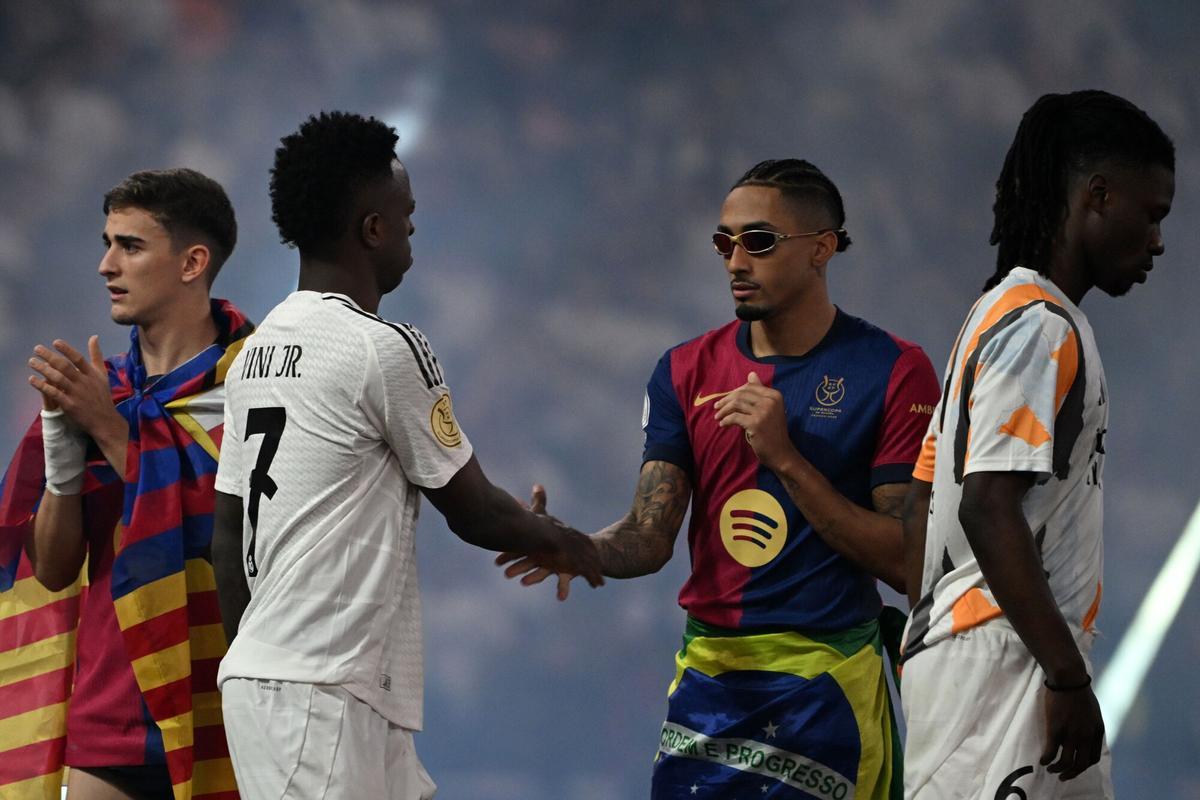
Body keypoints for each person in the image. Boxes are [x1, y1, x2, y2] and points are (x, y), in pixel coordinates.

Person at [501, 159, 941, 798]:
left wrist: (786, 458)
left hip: (829, 691)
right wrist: (575, 546)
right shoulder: (683, 369)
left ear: (822, 249)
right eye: (723, 242)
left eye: (758, 241)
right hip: (709, 688)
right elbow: (651, 537)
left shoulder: (894, 370)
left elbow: (907, 562)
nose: (736, 259)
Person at [210, 111, 604, 800]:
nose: (414, 228)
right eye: (406, 213)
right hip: (318, 689)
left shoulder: (254, 356)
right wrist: (567, 543)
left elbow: (227, 533)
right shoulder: (382, 347)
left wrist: (265, 657)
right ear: (372, 229)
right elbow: (475, 510)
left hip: (327, 685)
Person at [899, 90, 1175, 799]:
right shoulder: (1039, 327)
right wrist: (1066, 674)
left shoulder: (995, 315)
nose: (1158, 242)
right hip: (1006, 662)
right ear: (1098, 196)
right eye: (1151, 215)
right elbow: (986, 508)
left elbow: (922, 499)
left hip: (990, 652)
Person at [0, 168, 249, 799]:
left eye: (130, 246)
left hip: (225, 705)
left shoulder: (257, 386)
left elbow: (227, 531)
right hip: (110, 709)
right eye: (107, 243)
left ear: (193, 262)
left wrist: (109, 430)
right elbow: (54, 569)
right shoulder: (99, 391)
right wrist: (63, 456)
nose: (106, 264)